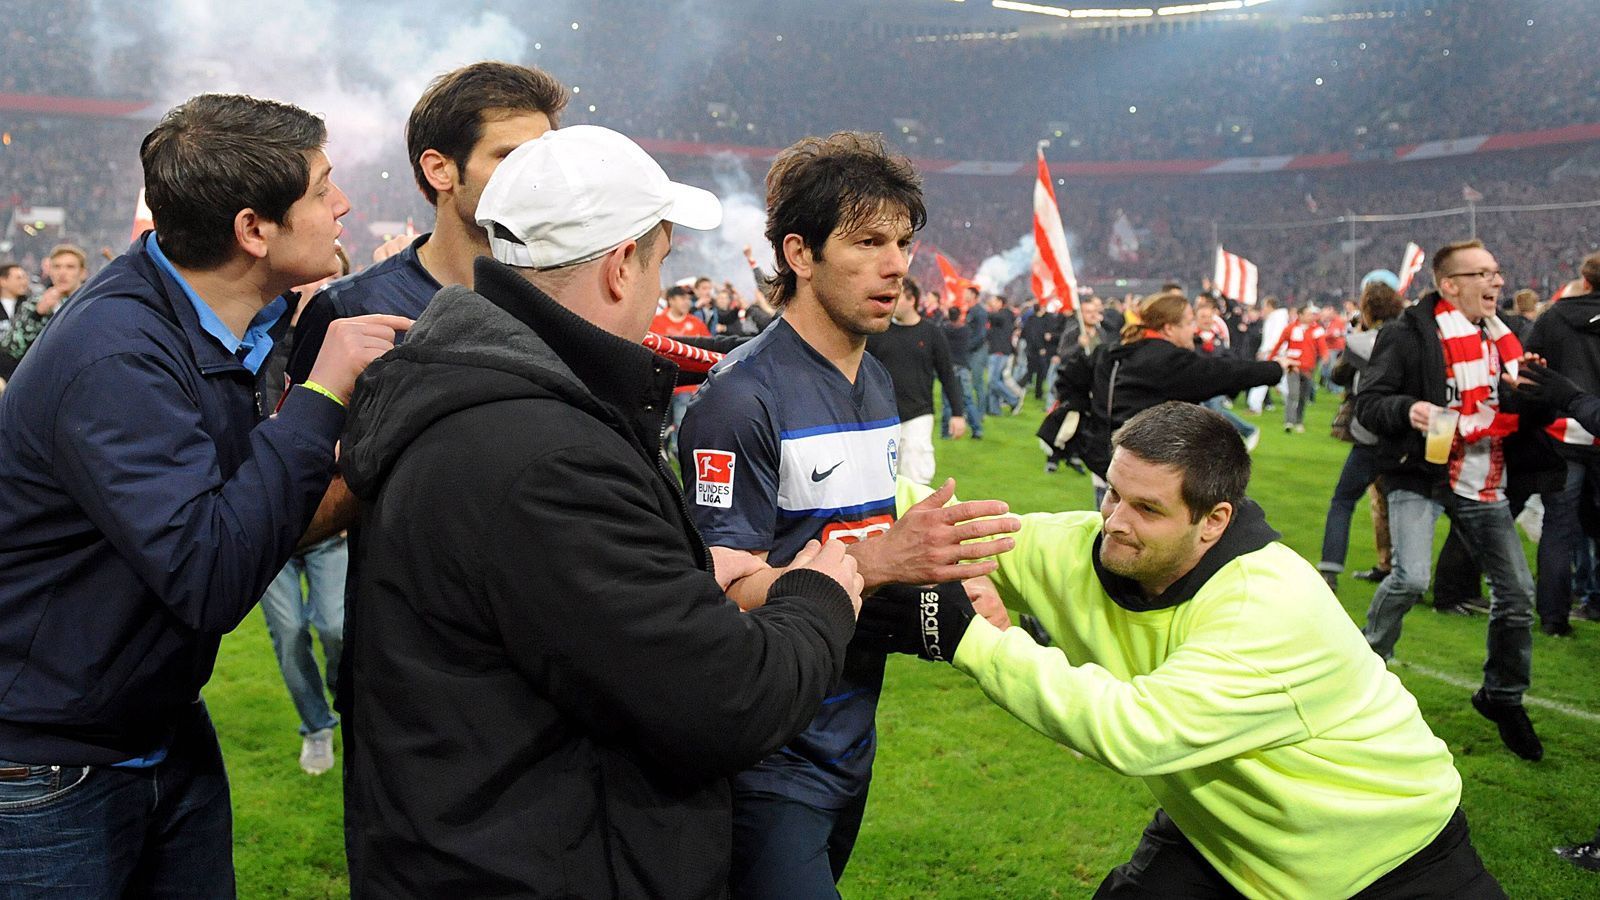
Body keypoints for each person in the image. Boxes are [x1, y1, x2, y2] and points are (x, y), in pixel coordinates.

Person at [339, 124, 864, 897]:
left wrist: (676, 575)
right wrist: (819, 596)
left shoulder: (486, 391)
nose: (659, 289)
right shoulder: (547, 455)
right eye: (659, 260)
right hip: (539, 863)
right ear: (621, 267)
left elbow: (568, 619)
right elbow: (726, 700)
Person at [0, 93, 407, 896]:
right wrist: (321, 395)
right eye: (323, 188)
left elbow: (242, 518)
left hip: (154, 721)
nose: (343, 204)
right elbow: (211, 571)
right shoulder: (115, 355)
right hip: (50, 762)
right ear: (254, 231)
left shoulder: (225, 326)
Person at [868, 401, 1504, 898]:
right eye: (1113, 492)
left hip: (1389, 860)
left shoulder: (1268, 604)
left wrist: (970, 640)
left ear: (1215, 521)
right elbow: (936, 528)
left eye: (1147, 508)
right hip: (1224, 837)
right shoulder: (1085, 545)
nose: (1115, 519)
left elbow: (1137, 731)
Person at [679, 131, 1019, 897]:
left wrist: (947, 587)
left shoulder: (871, 379)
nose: (897, 264)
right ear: (798, 254)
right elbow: (719, 589)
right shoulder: (740, 400)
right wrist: (886, 560)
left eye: (902, 241)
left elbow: (856, 540)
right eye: (867, 241)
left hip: (850, 731)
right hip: (769, 752)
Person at [1354, 239, 1542, 761]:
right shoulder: (1408, 335)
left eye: (1497, 272)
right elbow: (1369, 403)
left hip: (1484, 477)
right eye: (1482, 273)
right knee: (1411, 577)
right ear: (1449, 285)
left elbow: (1518, 401)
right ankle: (1366, 666)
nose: (1496, 282)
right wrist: (1407, 409)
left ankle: (1502, 695)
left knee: (1517, 594)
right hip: (1422, 473)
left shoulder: (1508, 336)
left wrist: (1534, 388)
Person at [1317, 279, 1405, 592]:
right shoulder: (1410, 339)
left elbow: (1338, 375)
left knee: (1343, 500)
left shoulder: (1361, 343)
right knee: (1399, 503)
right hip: (1402, 434)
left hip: (1368, 435)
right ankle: (1401, 569)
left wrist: (1356, 336)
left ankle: (1330, 568)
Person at [865, 276, 966, 484]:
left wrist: (957, 413)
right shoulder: (877, 331)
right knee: (880, 478)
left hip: (918, 414)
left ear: (912, 300)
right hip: (881, 415)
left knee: (915, 475)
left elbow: (947, 374)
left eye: (896, 298)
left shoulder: (931, 333)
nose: (890, 303)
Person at [0, 243, 88, 370]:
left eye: (70, 267)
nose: (62, 273)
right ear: (50, 271)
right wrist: (37, 315)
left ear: (83, 273)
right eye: (57, 267)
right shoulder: (32, 304)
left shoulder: (91, 303)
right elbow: (11, 349)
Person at [1265, 303, 1327, 433]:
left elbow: (1322, 346)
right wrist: (1271, 359)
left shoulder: (1317, 330)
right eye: (1309, 314)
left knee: (1303, 397)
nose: (1312, 316)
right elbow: (1279, 343)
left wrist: (1325, 356)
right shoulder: (1290, 329)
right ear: (1300, 315)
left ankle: (1299, 421)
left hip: (1309, 369)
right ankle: (1289, 421)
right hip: (1293, 366)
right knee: (1293, 393)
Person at [0, 261, 30, 383]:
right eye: (18, 278)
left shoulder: (31, 307)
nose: (23, 282)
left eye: (24, 277)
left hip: (25, 373)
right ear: (3, 281)